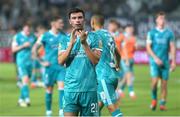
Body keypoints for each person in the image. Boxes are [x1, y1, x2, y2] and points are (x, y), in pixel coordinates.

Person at [58, 8, 101, 116]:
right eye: (74, 18)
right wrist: (71, 44)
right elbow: (60, 61)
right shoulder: (64, 40)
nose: (77, 20)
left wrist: (84, 43)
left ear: (84, 20)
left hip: (89, 90)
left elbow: (96, 61)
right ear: (70, 21)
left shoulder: (95, 37)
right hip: (70, 90)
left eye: (80, 17)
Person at [32, 16, 66, 116]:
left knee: (62, 88)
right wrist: (41, 62)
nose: (62, 24)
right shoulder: (45, 36)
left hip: (61, 67)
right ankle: (48, 112)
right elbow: (34, 49)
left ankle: (61, 112)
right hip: (49, 68)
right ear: (53, 24)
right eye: (60, 23)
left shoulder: (63, 35)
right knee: (49, 90)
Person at [91, 15, 123, 116]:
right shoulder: (109, 35)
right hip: (112, 75)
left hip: (103, 76)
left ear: (92, 23)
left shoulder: (94, 36)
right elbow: (117, 53)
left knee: (111, 107)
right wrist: (117, 64)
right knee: (95, 108)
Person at [146, 11, 176, 111]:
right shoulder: (152, 33)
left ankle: (162, 103)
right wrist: (155, 58)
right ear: (156, 20)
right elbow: (148, 48)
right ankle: (154, 99)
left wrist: (174, 61)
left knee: (164, 84)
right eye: (160, 18)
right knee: (154, 83)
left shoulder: (169, 33)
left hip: (165, 62)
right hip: (154, 62)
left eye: (163, 18)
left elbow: (172, 47)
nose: (162, 20)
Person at [11, 23, 36, 107]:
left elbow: (37, 44)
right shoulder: (17, 37)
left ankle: (20, 99)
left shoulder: (32, 36)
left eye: (29, 30)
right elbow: (13, 49)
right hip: (21, 62)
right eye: (26, 30)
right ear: (23, 29)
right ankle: (27, 99)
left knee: (26, 81)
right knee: (25, 80)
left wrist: (34, 51)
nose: (28, 32)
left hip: (30, 62)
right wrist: (23, 46)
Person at [115, 24, 137, 99]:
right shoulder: (123, 37)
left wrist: (134, 48)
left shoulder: (133, 38)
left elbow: (134, 49)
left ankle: (120, 90)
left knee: (125, 77)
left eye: (131, 29)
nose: (130, 30)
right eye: (128, 29)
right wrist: (126, 59)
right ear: (126, 30)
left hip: (131, 59)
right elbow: (123, 48)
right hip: (124, 58)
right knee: (128, 74)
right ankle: (131, 92)